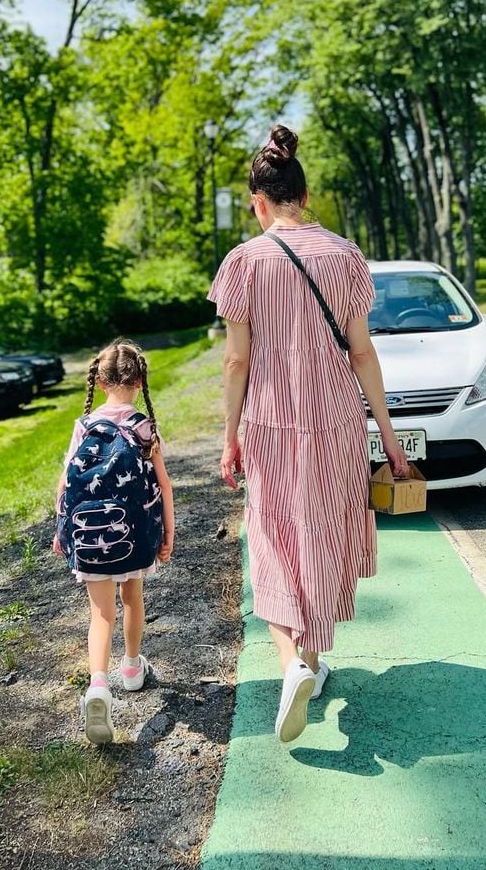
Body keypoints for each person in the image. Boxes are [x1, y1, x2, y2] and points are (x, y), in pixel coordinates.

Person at [208, 124, 408, 744]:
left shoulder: (242, 262)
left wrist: (229, 434)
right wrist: (391, 437)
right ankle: (313, 662)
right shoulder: (346, 255)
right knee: (323, 533)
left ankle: (292, 660)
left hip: (270, 421)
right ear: (306, 192)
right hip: (338, 421)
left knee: (273, 537)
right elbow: (363, 354)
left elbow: (236, 361)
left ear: (257, 202)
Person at [53, 339, 175, 744]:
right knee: (132, 598)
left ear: (101, 382)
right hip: (135, 536)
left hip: (88, 537)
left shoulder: (84, 426)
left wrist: (61, 530)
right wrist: (168, 533)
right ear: (139, 381)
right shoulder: (143, 427)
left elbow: (64, 484)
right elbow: (164, 484)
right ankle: (132, 667)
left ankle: (99, 686)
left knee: (100, 615)